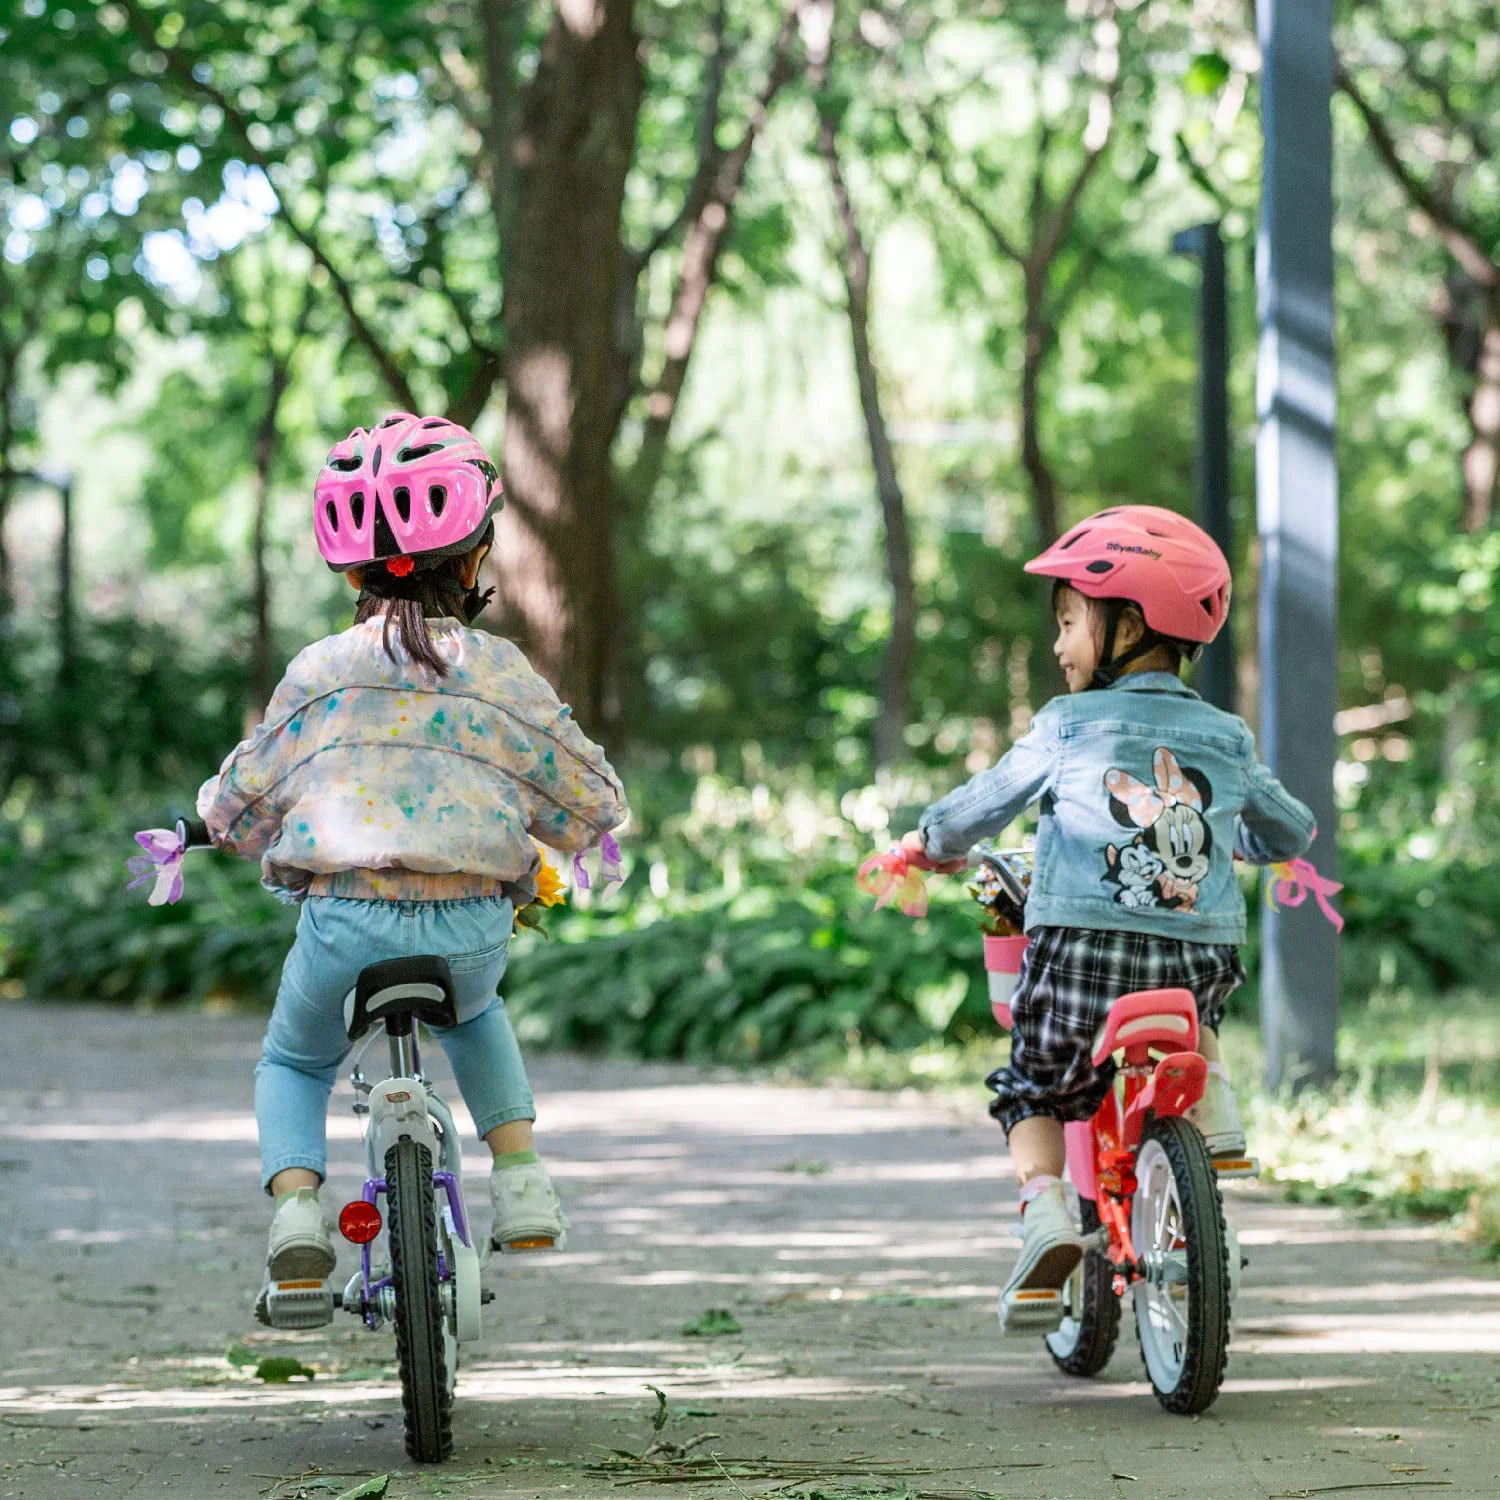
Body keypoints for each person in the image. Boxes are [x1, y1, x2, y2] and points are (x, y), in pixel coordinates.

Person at [196, 412, 627, 1321]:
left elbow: (245, 791)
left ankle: (297, 1216)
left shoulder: (320, 672)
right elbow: (586, 794)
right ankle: (523, 1182)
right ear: (474, 561)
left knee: (294, 1061)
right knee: (476, 1016)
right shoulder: (501, 672)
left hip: (344, 923)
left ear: (349, 569)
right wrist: (581, 825)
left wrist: (213, 826)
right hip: (470, 926)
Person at [899, 505, 1314, 1334]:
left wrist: (926, 841)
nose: (1057, 645)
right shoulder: (1226, 736)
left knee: (1034, 1084)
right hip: (1195, 962)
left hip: (1081, 954)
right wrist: (1234, 839)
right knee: (1203, 1007)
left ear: (1127, 621)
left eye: (1068, 622)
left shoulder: (1065, 724)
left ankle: (1047, 1212)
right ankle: (1214, 1110)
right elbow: (1292, 830)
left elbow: (978, 809)